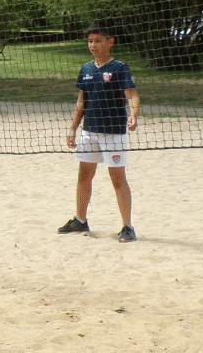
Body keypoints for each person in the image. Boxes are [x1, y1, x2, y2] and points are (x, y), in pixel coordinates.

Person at [59, 23, 141, 243]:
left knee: (118, 179)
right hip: (89, 131)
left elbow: (131, 94)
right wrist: (73, 127)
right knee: (84, 175)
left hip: (113, 132)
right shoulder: (86, 69)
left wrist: (134, 114)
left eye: (97, 40)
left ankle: (127, 226)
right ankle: (80, 219)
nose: (93, 45)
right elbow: (81, 101)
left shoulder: (120, 68)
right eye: (90, 41)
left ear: (110, 41)